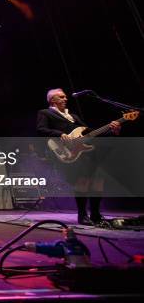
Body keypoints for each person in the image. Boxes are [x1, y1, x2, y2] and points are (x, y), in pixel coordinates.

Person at [36, 88, 120, 225]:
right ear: (52, 100)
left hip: (84, 150)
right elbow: (41, 129)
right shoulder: (45, 113)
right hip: (65, 151)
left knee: (98, 179)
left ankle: (95, 214)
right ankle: (82, 215)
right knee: (83, 179)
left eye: (65, 97)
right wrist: (60, 134)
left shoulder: (74, 116)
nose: (66, 99)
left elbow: (89, 133)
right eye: (62, 97)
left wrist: (111, 130)